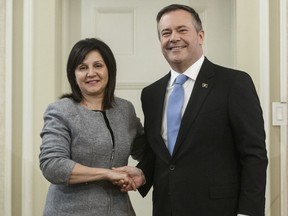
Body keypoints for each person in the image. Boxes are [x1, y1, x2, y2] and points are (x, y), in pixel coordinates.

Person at [114, 4, 268, 216]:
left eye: (182, 30)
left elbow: (254, 155)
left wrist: (249, 212)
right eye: (166, 33)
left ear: (200, 36)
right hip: (166, 209)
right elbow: (161, 154)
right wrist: (142, 173)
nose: (173, 37)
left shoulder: (233, 83)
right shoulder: (151, 94)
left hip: (219, 209)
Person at [39, 38, 145, 216]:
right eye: (82, 67)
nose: (91, 73)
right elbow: (52, 165)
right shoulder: (61, 111)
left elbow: (147, 150)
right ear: (73, 74)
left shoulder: (125, 110)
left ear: (109, 69)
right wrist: (107, 174)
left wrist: (140, 171)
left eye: (98, 65)